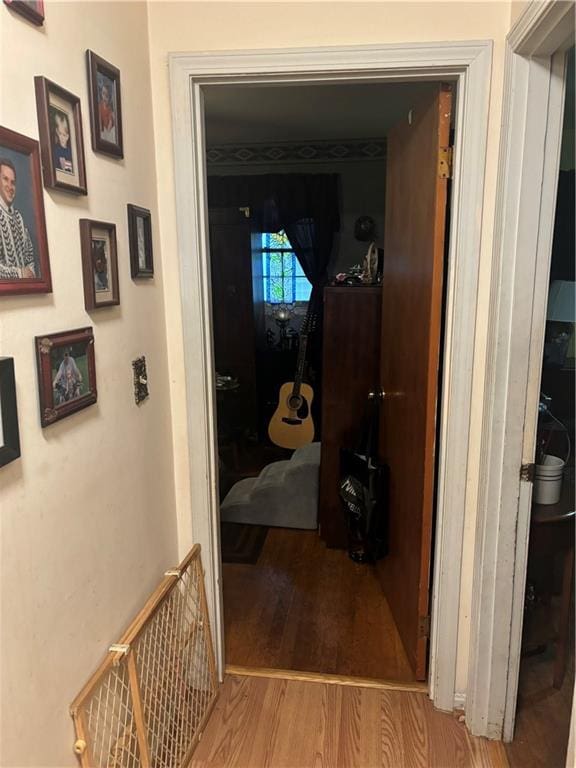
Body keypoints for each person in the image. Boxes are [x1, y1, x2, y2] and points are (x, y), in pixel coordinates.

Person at [0, 158, 36, 280]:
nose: (10, 186)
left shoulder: (19, 218)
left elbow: (30, 257)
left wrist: (30, 272)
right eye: (5, 179)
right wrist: (20, 274)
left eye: (13, 182)